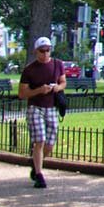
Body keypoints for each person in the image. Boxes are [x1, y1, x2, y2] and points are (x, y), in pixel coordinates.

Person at [17, 37, 66, 187]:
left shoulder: (57, 64)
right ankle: (39, 175)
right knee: (40, 140)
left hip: (51, 107)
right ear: (36, 51)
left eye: (48, 50)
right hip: (35, 107)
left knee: (49, 144)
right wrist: (39, 90)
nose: (45, 54)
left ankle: (35, 164)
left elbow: (63, 81)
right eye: (42, 51)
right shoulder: (29, 70)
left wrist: (57, 88)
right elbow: (22, 93)